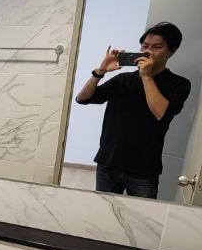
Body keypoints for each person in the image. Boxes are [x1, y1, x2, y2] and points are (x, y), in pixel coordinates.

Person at [74, 21, 191, 199]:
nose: (148, 51)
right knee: (103, 211)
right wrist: (101, 71)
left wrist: (146, 76)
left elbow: (160, 113)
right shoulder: (123, 79)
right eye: (145, 46)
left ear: (171, 51)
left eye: (157, 47)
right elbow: (82, 99)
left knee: (142, 215)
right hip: (108, 162)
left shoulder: (179, 84)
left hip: (143, 169)